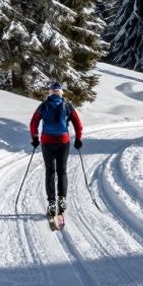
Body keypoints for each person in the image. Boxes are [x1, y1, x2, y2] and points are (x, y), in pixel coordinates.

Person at [29, 82, 83, 219]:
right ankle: (62, 199)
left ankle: (52, 203)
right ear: (61, 93)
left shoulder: (44, 105)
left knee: (50, 171)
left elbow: (33, 123)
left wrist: (35, 138)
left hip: (47, 142)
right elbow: (78, 123)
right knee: (62, 171)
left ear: (50, 92)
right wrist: (78, 139)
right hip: (63, 142)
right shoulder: (67, 105)